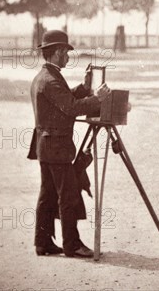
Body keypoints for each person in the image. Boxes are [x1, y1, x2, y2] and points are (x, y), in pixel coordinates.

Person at [27, 30, 110, 257]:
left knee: (47, 194)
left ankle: (43, 243)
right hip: (56, 147)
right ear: (54, 53)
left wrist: (84, 87)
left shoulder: (45, 77)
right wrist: (97, 99)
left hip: (46, 146)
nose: (67, 57)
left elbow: (64, 99)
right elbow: (71, 107)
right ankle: (72, 244)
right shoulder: (51, 80)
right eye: (64, 52)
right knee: (68, 194)